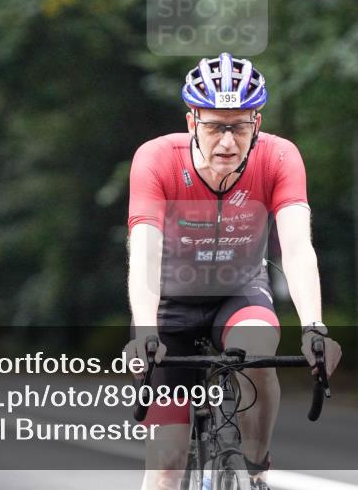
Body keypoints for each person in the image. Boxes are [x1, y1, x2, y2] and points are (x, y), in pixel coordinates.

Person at [125, 53, 342, 490]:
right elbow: (144, 255)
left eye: (239, 127)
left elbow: (298, 249)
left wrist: (315, 328)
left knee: (258, 349)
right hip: (170, 304)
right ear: (192, 123)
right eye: (214, 126)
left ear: (256, 124)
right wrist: (144, 330)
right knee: (166, 466)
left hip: (239, 292)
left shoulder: (280, 157)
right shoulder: (157, 160)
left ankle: (255, 469)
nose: (227, 142)